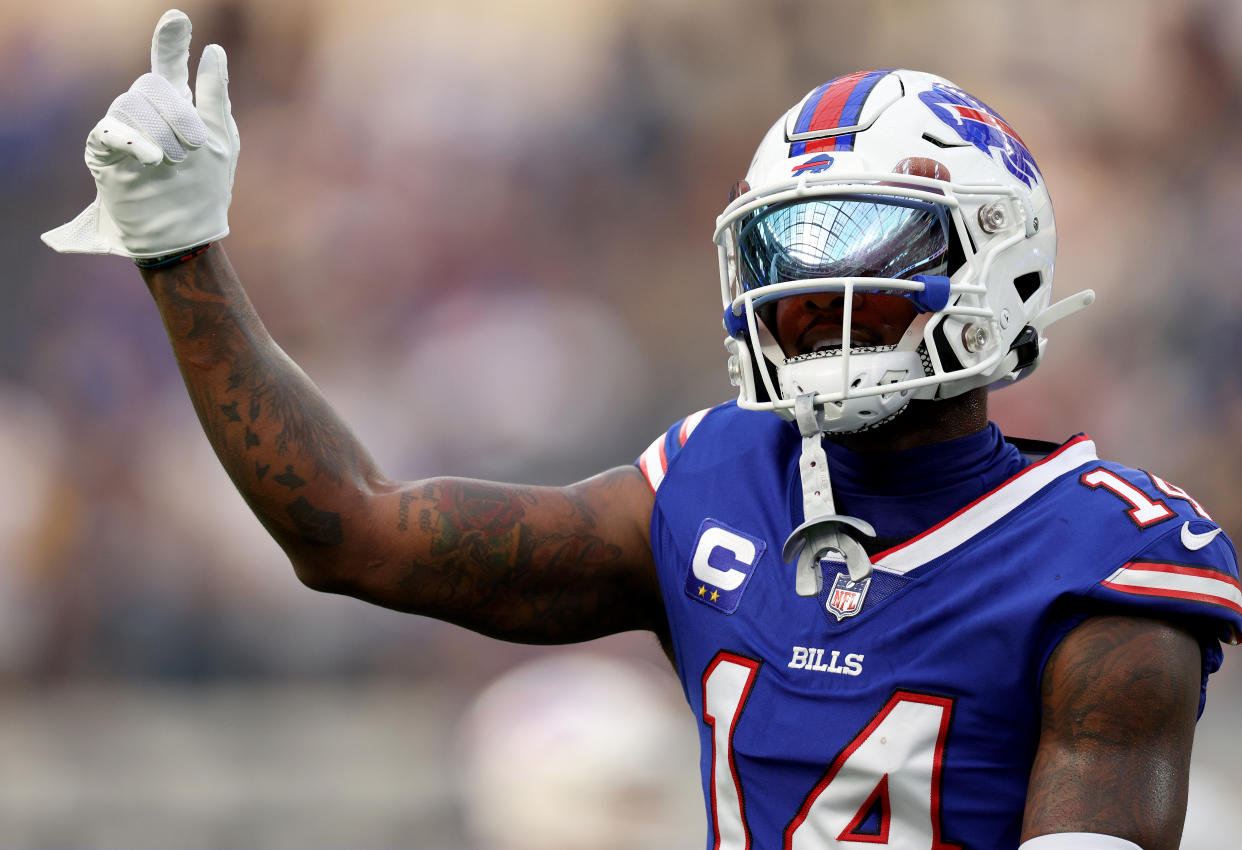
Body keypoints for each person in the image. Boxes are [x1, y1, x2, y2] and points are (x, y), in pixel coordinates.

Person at [42, 11, 1241, 850]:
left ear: (1001, 267)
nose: (810, 304)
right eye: (785, 258)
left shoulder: (1102, 563)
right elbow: (354, 531)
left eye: (874, 260)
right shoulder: (716, 482)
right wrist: (179, 252)